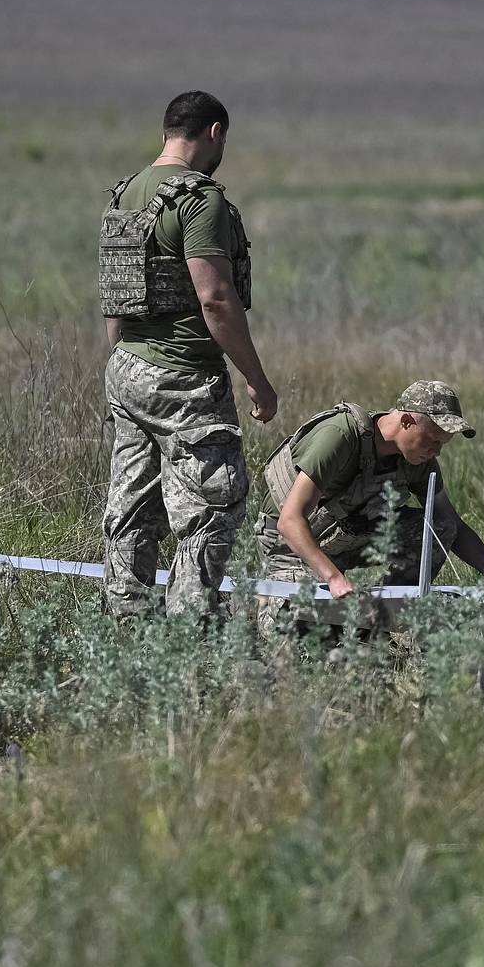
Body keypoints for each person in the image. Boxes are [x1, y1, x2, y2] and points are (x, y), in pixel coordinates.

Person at [100, 90, 278, 619]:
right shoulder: (200, 200)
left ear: (165, 132)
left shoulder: (125, 194)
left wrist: (122, 362)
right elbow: (215, 298)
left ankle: (127, 620)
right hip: (185, 378)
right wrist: (257, 380)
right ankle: (186, 632)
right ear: (214, 132)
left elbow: (118, 290)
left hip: (128, 368)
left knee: (132, 505)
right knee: (213, 506)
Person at [254, 381, 484, 629]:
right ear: (406, 420)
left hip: (346, 538)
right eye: (432, 440)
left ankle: (380, 621)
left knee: (440, 528)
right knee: (302, 636)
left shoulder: (418, 459)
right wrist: (334, 578)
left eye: (442, 445)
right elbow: (289, 521)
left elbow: (451, 524)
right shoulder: (340, 436)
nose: (436, 452)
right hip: (291, 545)